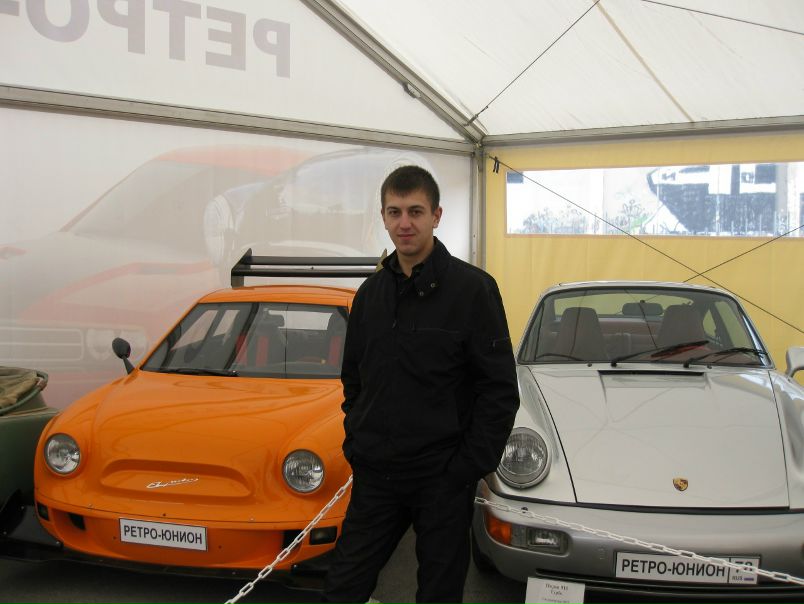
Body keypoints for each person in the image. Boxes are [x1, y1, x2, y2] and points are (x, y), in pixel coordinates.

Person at [322, 165, 519, 604]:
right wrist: (358, 440)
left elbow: (499, 391)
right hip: (377, 475)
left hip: (442, 479)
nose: (404, 223)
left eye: (415, 211)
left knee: (438, 594)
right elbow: (353, 378)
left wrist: (464, 469)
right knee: (343, 587)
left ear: (436, 216)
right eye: (394, 212)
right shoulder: (370, 295)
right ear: (383, 216)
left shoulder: (473, 291)